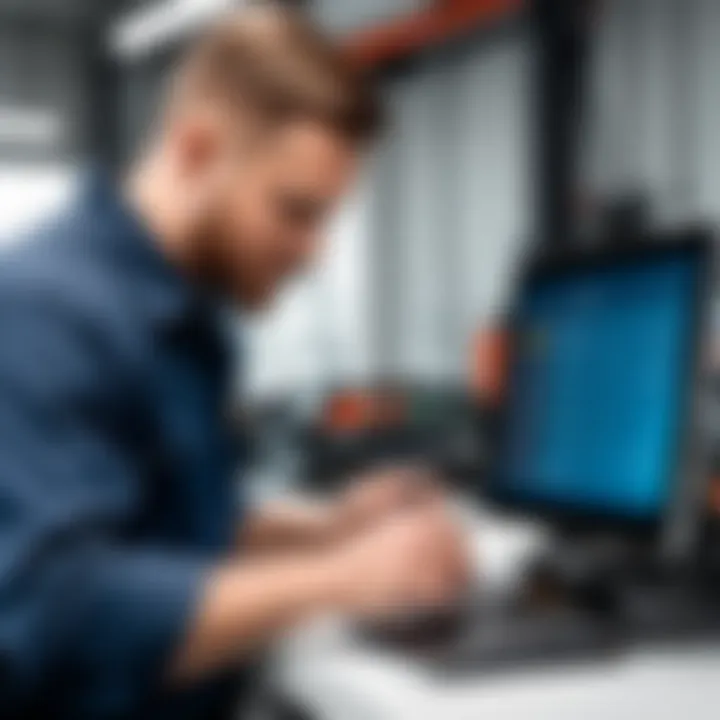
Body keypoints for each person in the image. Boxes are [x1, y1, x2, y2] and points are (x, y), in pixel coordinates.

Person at [0, 5, 471, 719]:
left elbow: (165, 519)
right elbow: (60, 609)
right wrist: (343, 577)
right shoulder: (45, 310)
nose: (315, 254)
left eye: (326, 220)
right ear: (195, 150)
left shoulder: (189, 319)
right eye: (295, 211)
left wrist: (327, 528)